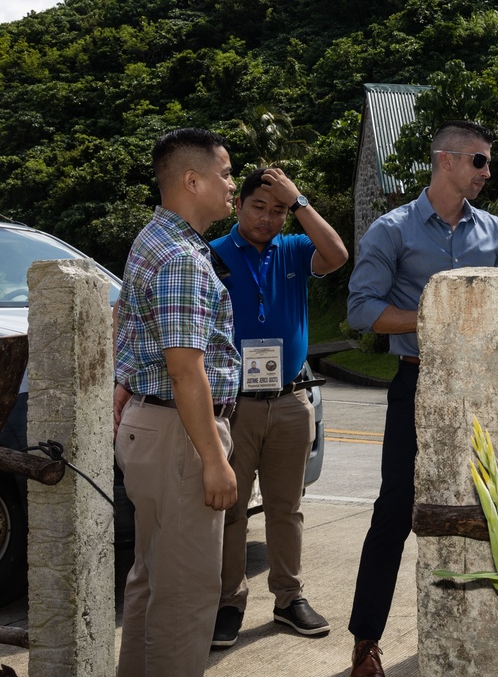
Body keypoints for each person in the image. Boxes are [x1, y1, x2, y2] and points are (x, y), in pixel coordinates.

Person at [345, 120, 498, 677]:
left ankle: (496, 625)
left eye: (487, 163)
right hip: (416, 381)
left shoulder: (495, 233)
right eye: (480, 162)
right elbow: (361, 309)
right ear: (446, 160)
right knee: (394, 510)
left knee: (488, 503)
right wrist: (437, 320)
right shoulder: (390, 231)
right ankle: (365, 640)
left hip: (483, 390)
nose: (488, 173)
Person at [114, 128, 241, 676]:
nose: (232, 185)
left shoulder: (153, 239)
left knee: (151, 580)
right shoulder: (183, 257)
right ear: (192, 181)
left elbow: (130, 329)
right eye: (225, 174)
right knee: (186, 597)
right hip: (181, 435)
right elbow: (185, 370)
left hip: (157, 427)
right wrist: (214, 459)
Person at [209, 167, 349, 647]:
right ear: (239, 206)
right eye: (258, 207)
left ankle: (289, 597)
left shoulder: (294, 249)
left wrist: (302, 200)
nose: (267, 219)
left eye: (278, 211)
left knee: (286, 508)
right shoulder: (212, 255)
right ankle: (228, 602)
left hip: (291, 399)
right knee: (229, 509)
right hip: (233, 405)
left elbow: (337, 255)